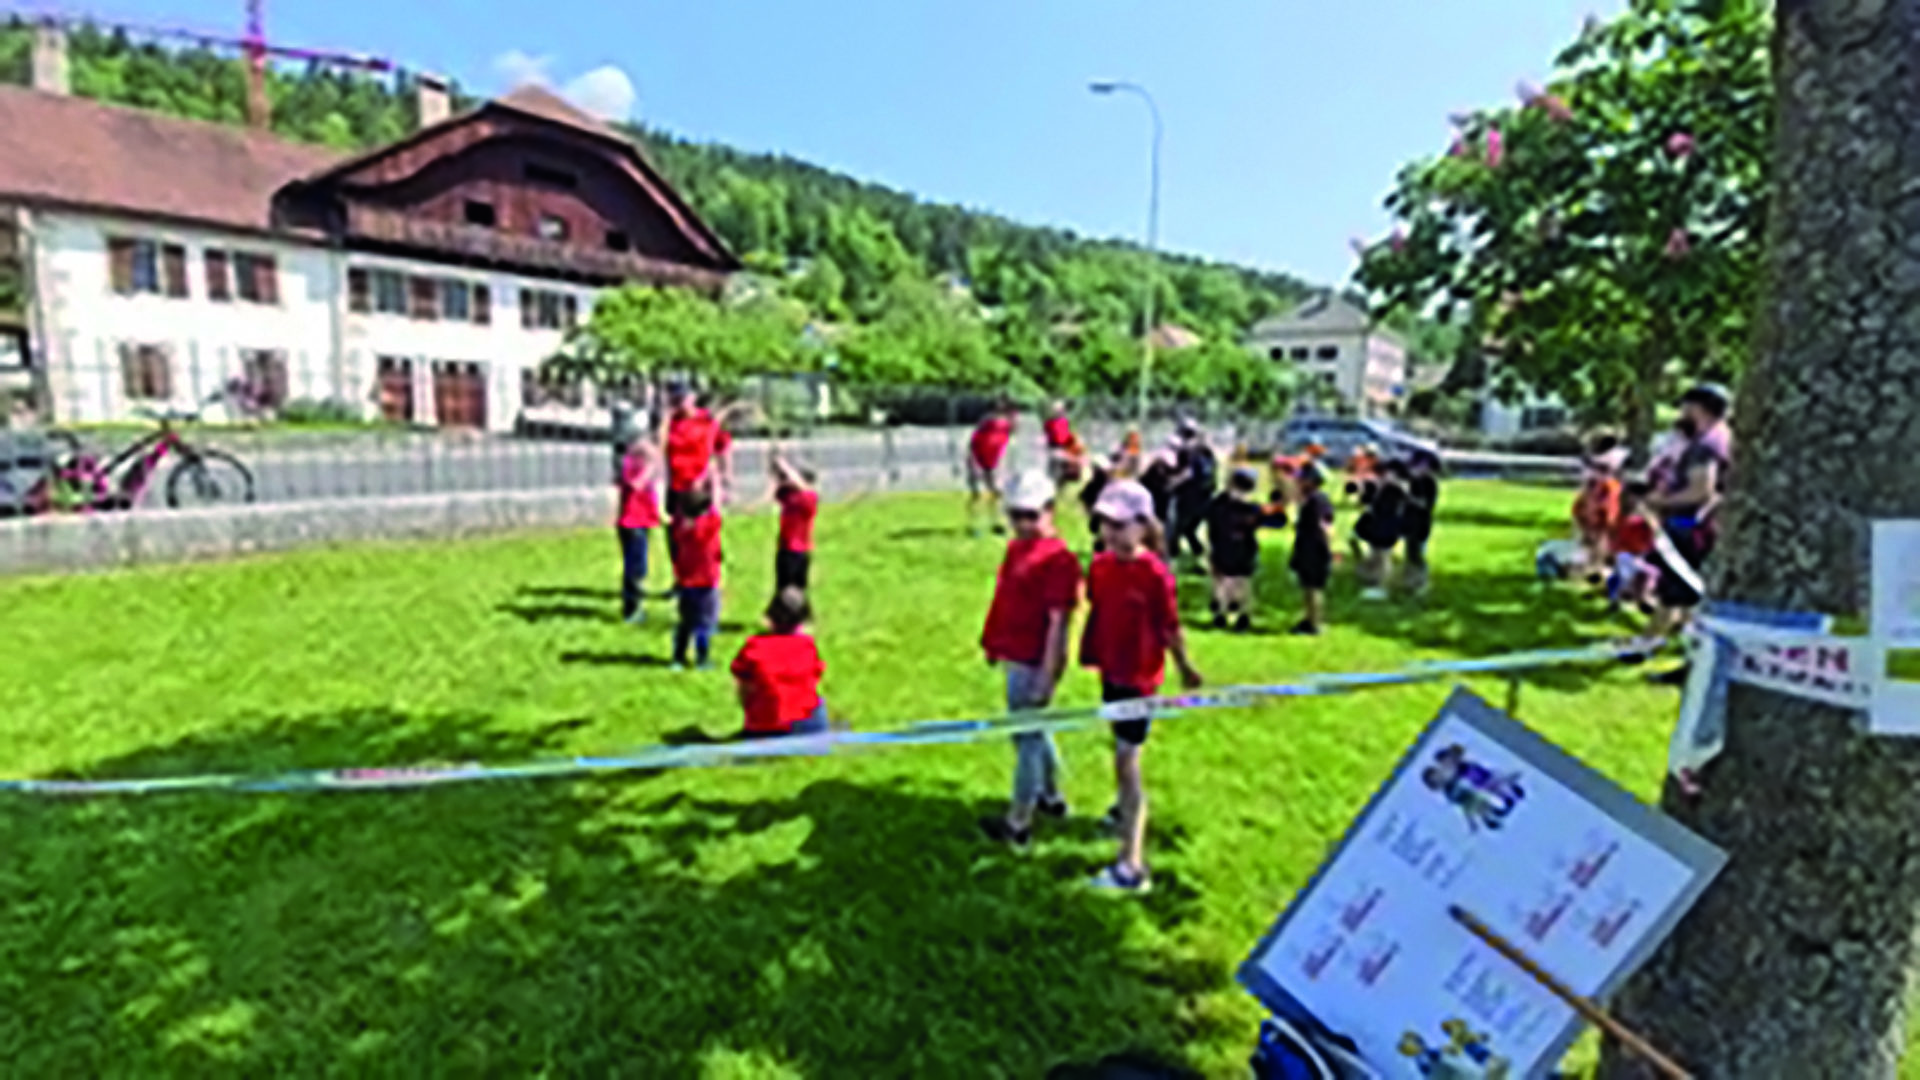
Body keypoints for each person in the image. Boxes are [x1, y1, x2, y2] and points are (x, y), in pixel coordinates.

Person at [1080, 479, 1204, 894]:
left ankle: (1131, 867)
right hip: (1111, 672)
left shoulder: (1155, 574)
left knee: (1126, 763)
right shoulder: (1099, 566)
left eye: (1120, 524)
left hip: (1139, 678)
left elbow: (1170, 626)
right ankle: (1122, 811)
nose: (1111, 533)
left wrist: (1186, 667)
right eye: (1105, 524)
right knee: (1118, 750)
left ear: (1143, 525)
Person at [979, 470, 1084, 849]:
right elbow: (1004, 598)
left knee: (1026, 737)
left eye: (1030, 516)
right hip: (1013, 653)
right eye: (1015, 516)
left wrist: (1049, 672)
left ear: (1050, 511)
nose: (1022, 524)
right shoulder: (1016, 549)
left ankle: (1018, 822)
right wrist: (992, 641)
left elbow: (1060, 622)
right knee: (1038, 729)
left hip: (1034, 661)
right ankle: (1051, 797)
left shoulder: (1059, 561)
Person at [1645, 384, 1734, 679]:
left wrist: (1659, 501)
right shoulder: (1723, 438)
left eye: (1686, 406)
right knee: (1688, 598)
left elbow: (1700, 490)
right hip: (1703, 526)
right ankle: (1687, 656)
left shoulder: (1705, 445)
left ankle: (1645, 646)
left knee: (1676, 592)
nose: (1682, 412)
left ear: (1698, 408)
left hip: (1691, 527)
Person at [732, 587, 828, 738]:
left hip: (763, 725)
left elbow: (743, 688)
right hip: (805, 724)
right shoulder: (807, 647)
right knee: (818, 701)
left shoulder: (754, 646)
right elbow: (814, 678)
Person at [663, 385, 737, 563]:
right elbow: (659, 448)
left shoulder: (707, 421)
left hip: (701, 486)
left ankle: (709, 573)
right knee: (677, 534)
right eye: (675, 400)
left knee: (705, 531)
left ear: (693, 398)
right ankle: (681, 575)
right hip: (677, 484)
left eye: (683, 399)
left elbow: (723, 447)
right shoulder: (669, 423)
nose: (679, 404)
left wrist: (726, 478)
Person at [668, 483, 724, 670]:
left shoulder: (681, 530)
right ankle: (702, 659)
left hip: (686, 582)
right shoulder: (708, 527)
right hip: (707, 582)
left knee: (685, 623)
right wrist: (713, 483)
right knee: (704, 624)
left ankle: (678, 657)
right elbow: (716, 509)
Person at [1206, 468, 1269, 632]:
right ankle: (1243, 614)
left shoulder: (1219, 504)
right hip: (1245, 547)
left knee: (1222, 580)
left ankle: (1221, 612)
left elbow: (1211, 522)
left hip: (1222, 545)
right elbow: (1269, 520)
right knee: (1243, 581)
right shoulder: (1252, 508)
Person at [615, 437, 660, 624]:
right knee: (634, 569)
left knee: (640, 567)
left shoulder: (641, 466)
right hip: (631, 524)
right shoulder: (629, 465)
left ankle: (635, 605)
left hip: (643, 522)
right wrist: (649, 469)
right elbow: (636, 484)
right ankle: (631, 608)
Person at [1289, 463, 1335, 635]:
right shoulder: (1310, 499)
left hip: (1315, 549)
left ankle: (1315, 622)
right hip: (1306, 547)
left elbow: (1325, 525)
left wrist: (1328, 547)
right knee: (1307, 586)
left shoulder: (1317, 500)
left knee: (1313, 587)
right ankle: (1309, 618)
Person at [1573, 436, 1627, 581]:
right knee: (1590, 530)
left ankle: (1596, 565)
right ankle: (1588, 564)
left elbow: (1611, 474)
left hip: (1604, 495)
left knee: (1601, 532)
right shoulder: (1592, 458)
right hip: (1593, 495)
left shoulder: (1614, 456)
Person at [1352, 460, 1407, 600]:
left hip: (1389, 525)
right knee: (1375, 553)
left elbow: (1399, 505)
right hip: (1377, 524)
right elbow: (1368, 502)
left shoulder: (1398, 488)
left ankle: (1383, 586)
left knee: (1383, 556)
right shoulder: (1379, 487)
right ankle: (1373, 581)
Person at [1168, 420, 1218, 561]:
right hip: (1206, 495)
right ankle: (1198, 553)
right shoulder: (1207, 451)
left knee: (1175, 529)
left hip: (1189, 496)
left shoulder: (1186, 450)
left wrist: (1172, 483)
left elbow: (1187, 473)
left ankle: (1172, 559)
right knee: (1189, 529)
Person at [1608, 480, 1659, 614]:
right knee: (1627, 569)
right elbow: (1614, 536)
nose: (1633, 500)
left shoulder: (1647, 516)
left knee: (1648, 573)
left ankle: (1640, 599)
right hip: (1625, 554)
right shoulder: (1621, 515)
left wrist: (1645, 513)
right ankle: (1625, 598)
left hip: (1643, 554)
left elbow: (1655, 531)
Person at [771, 455, 819, 593]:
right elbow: (780, 487)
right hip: (785, 548)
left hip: (798, 551)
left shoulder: (810, 497)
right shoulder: (790, 495)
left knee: (795, 591)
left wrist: (785, 466)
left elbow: (798, 484)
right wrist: (778, 468)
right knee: (783, 589)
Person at [967, 401, 1016, 534]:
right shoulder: (985, 427)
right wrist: (974, 465)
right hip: (979, 461)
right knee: (978, 494)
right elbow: (973, 447)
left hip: (994, 463)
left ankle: (996, 522)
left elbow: (1004, 449)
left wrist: (1002, 465)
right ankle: (975, 525)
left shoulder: (1005, 428)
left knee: (998, 493)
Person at [1400, 451, 1441, 595]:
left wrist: (1407, 497)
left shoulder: (1429, 483)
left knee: (1418, 553)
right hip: (1409, 522)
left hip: (1421, 523)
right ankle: (1409, 582)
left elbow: (1425, 504)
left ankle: (1422, 582)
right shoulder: (1412, 481)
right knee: (1409, 553)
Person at [1042, 401, 1081, 485]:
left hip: (1064, 445)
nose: (1059, 412)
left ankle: (1060, 480)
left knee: (1062, 463)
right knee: (1053, 463)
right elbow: (1045, 433)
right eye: (1057, 410)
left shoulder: (1065, 421)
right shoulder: (1048, 422)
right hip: (1052, 444)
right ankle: (1050, 480)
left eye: (1060, 410)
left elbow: (1067, 432)